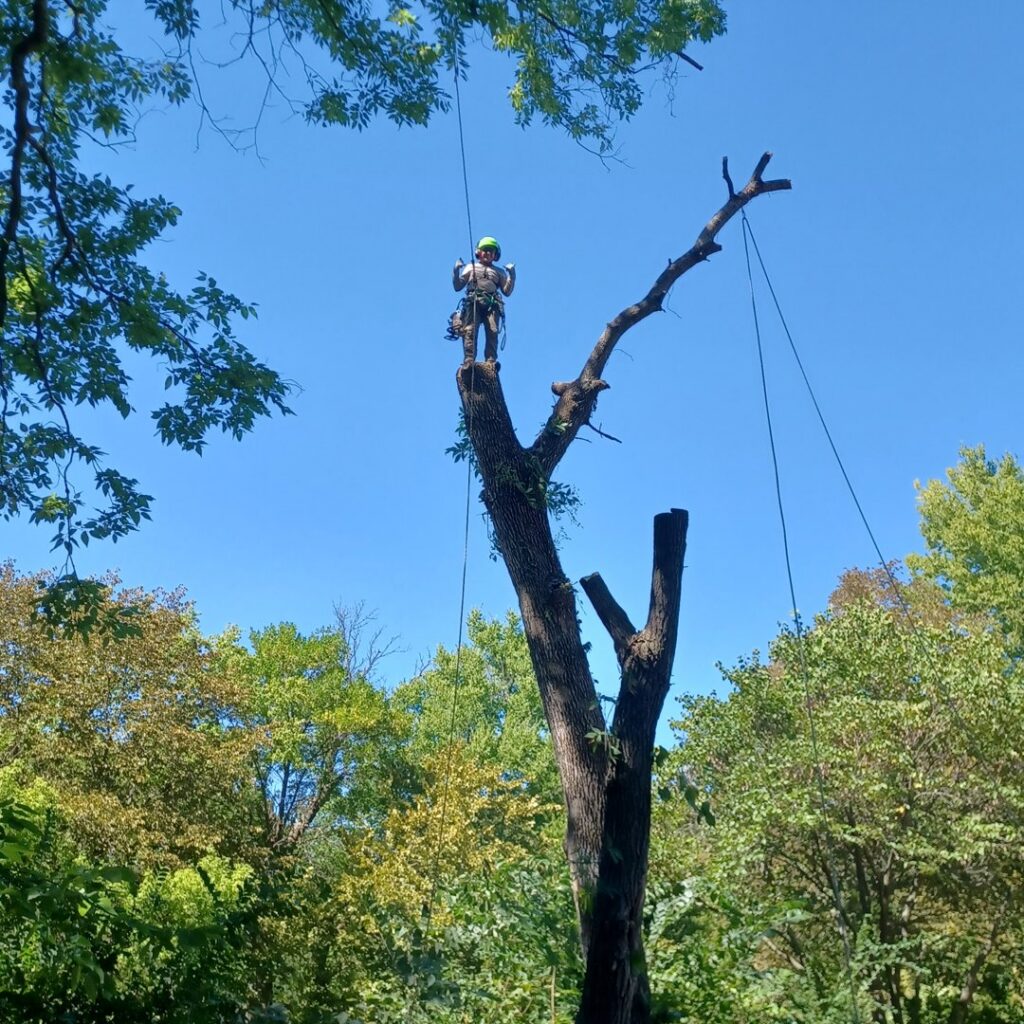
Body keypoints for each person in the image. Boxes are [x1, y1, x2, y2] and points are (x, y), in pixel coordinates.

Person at [451, 236, 515, 364]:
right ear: (478, 253)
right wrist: (456, 271)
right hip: (473, 301)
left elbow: (507, 291)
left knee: (493, 331)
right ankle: (469, 359)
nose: (487, 253)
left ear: (495, 255)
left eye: (490, 251)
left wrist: (511, 276)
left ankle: (490, 361)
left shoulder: (498, 272)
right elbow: (458, 286)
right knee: (470, 330)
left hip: (492, 304)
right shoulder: (471, 267)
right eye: (484, 250)